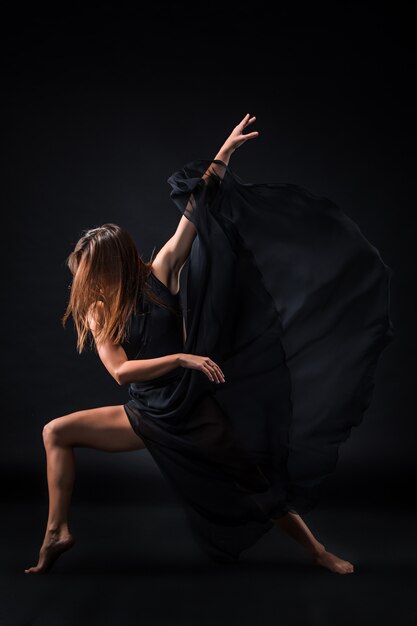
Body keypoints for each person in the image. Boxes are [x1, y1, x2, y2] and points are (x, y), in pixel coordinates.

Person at [25, 114, 393, 575]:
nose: (83, 281)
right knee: (54, 431)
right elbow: (119, 373)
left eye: (88, 271)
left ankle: (318, 552)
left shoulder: (159, 273)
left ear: (111, 264)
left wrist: (225, 153)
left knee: (254, 481)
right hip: (146, 413)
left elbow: (194, 213)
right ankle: (56, 531)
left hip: (191, 409)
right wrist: (180, 356)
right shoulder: (100, 311)